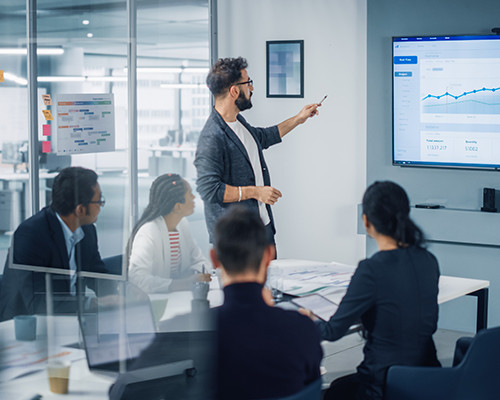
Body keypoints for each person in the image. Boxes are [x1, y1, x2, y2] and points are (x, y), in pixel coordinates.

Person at [302, 181, 441, 400]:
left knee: (332, 392)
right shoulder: (429, 260)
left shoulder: (372, 269)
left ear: (366, 221)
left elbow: (332, 331)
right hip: (430, 377)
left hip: (384, 384)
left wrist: (305, 319)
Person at [194, 57, 320, 246]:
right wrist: (255, 192)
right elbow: (209, 190)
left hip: (261, 227)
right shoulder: (212, 136)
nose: (251, 88)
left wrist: (299, 118)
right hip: (237, 240)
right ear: (234, 91)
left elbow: (262, 137)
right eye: (248, 83)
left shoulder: (238, 122)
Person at [210, 206, 323, 400]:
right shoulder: (302, 329)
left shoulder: (192, 335)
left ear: (214, 258)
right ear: (269, 254)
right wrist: (296, 323)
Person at [0, 166, 107, 321]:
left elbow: (96, 273)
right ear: (80, 210)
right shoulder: (31, 235)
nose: (101, 206)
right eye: (99, 201)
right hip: (26, 326)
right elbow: (38, 303)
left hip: (69, 321)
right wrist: (90, 302)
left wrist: (120, 291)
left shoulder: (87, 230)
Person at [127, 173, 211, 293]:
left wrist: (195, 274)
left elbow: (200, 261)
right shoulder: (148, 232)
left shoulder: (182, 224)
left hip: (179, 298)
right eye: (190, 194)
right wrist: (184, 283)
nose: (194, 197)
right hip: (156, 303)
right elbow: (138, 279)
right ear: (177, 206)